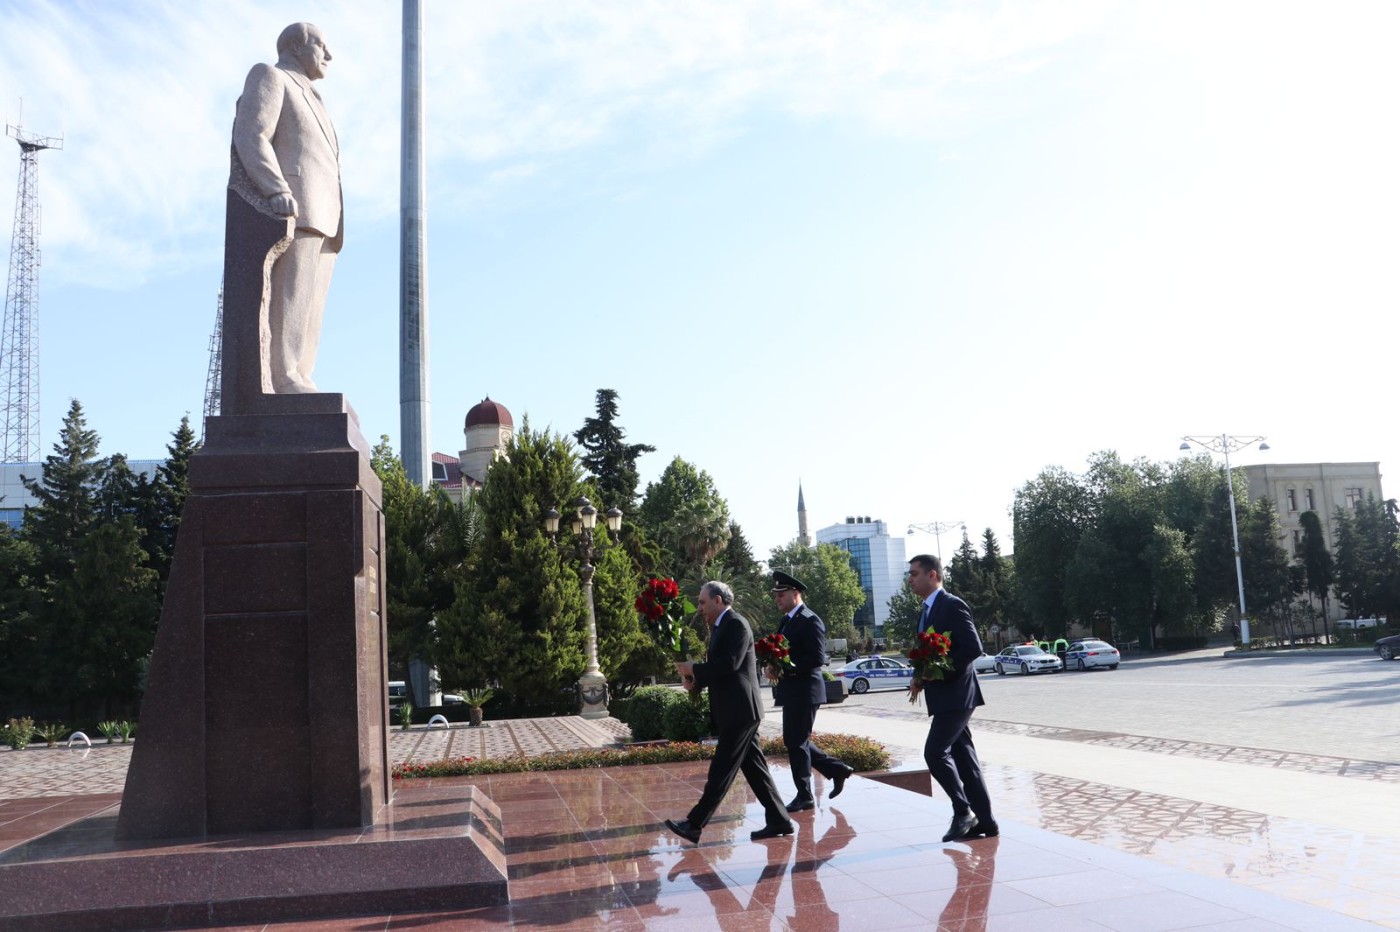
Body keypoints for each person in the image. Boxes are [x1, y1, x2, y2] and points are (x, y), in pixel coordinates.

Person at [231, 22, 343, 395]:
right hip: (298, 207)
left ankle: (301, 377)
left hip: (326, 217)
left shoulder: (316, 98)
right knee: (291, 296)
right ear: (296, 46)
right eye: (321, 46)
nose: (329, 55)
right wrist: (275, 188)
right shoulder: (270, 77)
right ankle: (284, 376)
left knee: (312, 307)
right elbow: (252, 134)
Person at [665, 581, 794, 845]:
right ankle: (779, 819)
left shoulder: (736, 624)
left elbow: (729, 664)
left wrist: (694, 669)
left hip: (740, 711)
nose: (700, 608)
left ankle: (694, 823)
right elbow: (720, 668)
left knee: (722, 769)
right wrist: (696, 681)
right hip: (735, 710)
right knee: (756, 771)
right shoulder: (721, 627)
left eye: (702, 602)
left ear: (718, 601)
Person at [906, 553, 998, 842]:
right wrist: (921, 675)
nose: (910, 579)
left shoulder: (952, 604)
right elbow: (932, 653)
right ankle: (987, 821)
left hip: (958, 694)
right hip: (943, 696)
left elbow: (972, 648)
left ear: (932, 575)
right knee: (965, 761)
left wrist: (938, 673)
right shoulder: (925, 610)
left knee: (934, 753)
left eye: (915, 573)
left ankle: (962, 811)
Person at [767, 570, 854, 812]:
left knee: (796, 741)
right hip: (792, 689)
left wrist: (785, 668)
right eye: (776, 595)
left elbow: (817, 658)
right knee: (795, 740)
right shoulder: (787, 621)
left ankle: (804, 794)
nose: (777, 599)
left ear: (796, 594)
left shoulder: (810, 620)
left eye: (781, 594)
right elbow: (782, 652)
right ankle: (836, 769)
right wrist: (773, 665)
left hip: (805, 689)